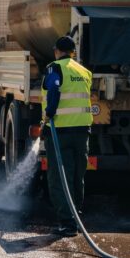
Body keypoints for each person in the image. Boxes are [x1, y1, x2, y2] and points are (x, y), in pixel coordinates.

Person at [41, 36, 93, 237]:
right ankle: (76, 216)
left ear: (57, 51)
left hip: (60, 131)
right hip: (82, 131)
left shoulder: (55, 68)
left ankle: (67, 223)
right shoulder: (84, 71)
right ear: (73, 51)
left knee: (59, 177)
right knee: (77, 176)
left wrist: (49, 114)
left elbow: (53, 88)